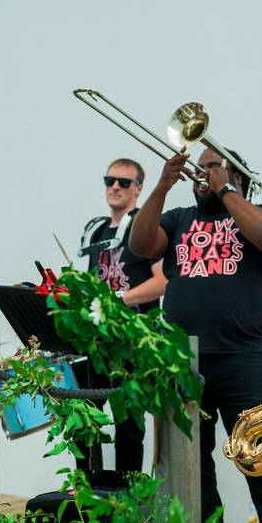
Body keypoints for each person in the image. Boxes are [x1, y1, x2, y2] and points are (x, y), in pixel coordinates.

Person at [129, 145, 262, 523]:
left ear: (237, 176)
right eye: (199, 169)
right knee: (193, 463)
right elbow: (139, 245)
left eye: (211, 167)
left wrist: (224, 186)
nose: (201, 174)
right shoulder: (178, 220)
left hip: (241, 358)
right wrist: (162, 185)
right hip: (182, 360)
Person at [76, 157, 166, 472]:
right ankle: (89, 495)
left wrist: (119, 299)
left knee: (129, 424)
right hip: (96, 342)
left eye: (124, 182)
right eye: (109, 180)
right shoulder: (94, 229)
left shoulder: (144, 227)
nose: (115, 186)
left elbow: (162, 281)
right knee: (83, 416)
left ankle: (131, 502)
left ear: (138, 188)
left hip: (133, 341)